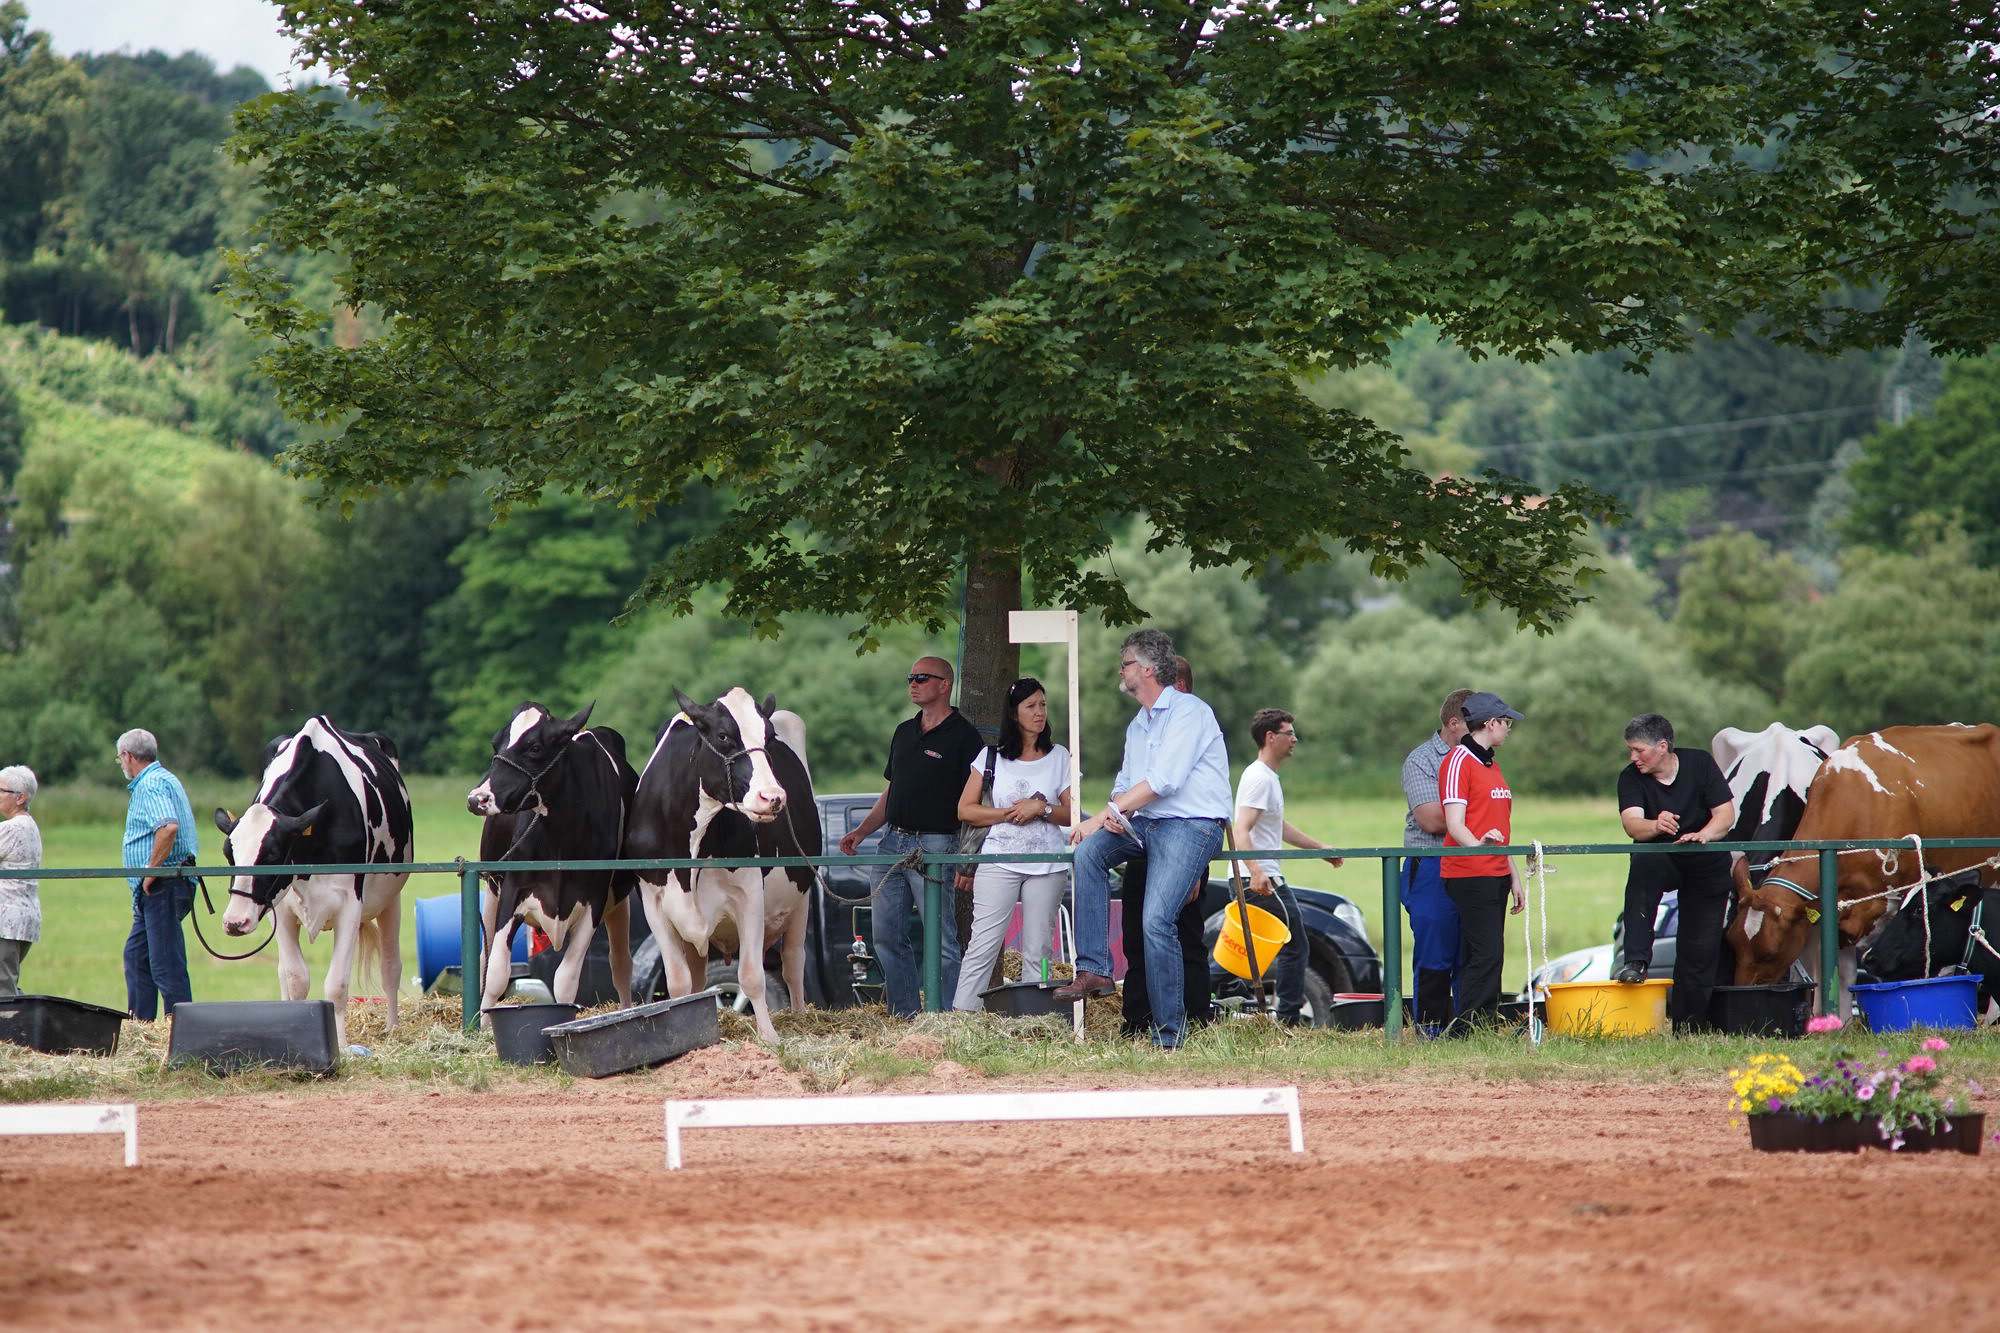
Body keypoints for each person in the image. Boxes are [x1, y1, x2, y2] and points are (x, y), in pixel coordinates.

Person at [1056, 628, 1231, 1049]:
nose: (1121, 671)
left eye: (1126, 664)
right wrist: (1118, 810)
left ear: (1148, 669)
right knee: (1089, 854)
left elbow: (1164, 780)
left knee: (1156, 920)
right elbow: (1126, 781)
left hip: (1191, 825)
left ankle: (1169, 1034)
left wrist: (1106, 815)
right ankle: (1095, 969)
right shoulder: (1138, 724)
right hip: (1146, 823)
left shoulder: (1190, 712)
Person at [839, 656, 983, 1015]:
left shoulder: (966, 737)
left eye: (921, 677)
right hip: (891, 841)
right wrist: (862, 830)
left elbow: (978, 801)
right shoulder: (904, 731)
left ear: (944, 685)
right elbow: (892, 790)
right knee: (885, 935)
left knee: (941, 938)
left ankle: (946, 1018)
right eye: (910, 677)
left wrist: (968, 859)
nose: (913, 683)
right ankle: (904, 1014)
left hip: (937, 843)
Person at [951, 677, 1074, 1010]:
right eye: (1030, 706)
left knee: (1039, 949)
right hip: (998, 859)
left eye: (1043, 704)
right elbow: (965, 809)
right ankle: (961, 1018)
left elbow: (1072, 814)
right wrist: (1009, 813)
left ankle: (1036, 1018)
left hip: (1047, 863)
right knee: (982, 945)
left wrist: (1041, 808)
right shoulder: (990, 756)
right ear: (1014, 713)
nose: (1039, 712)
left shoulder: (1060, 756)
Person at [1616, 712, 1736, 1030]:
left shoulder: (1700, 763)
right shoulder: (1630, 778)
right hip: (1660, 856)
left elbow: (1725, 815)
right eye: (1630, 750)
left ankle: (1689, 1026)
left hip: (1705, 860)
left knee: (1699, 947)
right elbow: (1632, 824)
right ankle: (1636, 961)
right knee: (1642, 865)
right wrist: (1655, 825)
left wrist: (1703, 835)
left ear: (1662, 746)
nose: (1633, 757)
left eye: (1638, 750)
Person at [1120, 656, 1214, 1037]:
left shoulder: (1192, 725)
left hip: (1184, 845)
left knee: (1182, 934)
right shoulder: (1142, 727)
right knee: (1136, 934)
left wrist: (1194, 870)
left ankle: (1193, 1017)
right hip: (1144, 838)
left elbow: (1205, 802)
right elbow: (1131, 780)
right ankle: (1138, 1019)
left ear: (1181, 687)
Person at [1233, 709, 1342, 1025]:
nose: (1295, 739)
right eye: (1289, 733)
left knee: (1254, 949)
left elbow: (1277, 826)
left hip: (1261, 876)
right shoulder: (1259, 777)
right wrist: (1256, 871)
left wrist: (1319, 849)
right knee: (1294, 946)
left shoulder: (1267, 777)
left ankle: (1221, 1001)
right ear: (1270, 737)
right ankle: (1288, 1019)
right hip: (1258, 879)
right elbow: (1241, 829)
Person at [1438, 693, 1525, 1031]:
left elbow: (1499, 828)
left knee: (1490, 953)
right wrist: (1477, 848)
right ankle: (1469, 1027)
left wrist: (1512, 874)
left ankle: (1481, 1024)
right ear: (1490, 723)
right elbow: (1455, 824)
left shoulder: (1491, 764)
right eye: (1506, 722)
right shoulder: (1458, 760)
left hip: (1494, 871)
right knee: (1486, 953)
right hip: (1470, 873)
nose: (1508, 729)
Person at [1400, 688, 1474, 1029]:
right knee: (1435, 950)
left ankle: (1469, 1026)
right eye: (1474, 723)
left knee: (1471, 951)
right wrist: (1481, 816)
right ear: (1454, 722)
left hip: (1472, 863)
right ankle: (1430, 1027)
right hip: (1431, 863)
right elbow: (1431, 819)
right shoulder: (1422, 760)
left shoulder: (1481, 759)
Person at [118, 728, 200, 1020]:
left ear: (128, 756)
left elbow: (167, 827)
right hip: (161, 885)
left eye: (120, 758)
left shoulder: (150, 783)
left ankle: (180, 1030)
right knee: (137, 957)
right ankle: (142, 1028)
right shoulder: (165, 778)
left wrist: (151, 872)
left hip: (163, 884)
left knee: (166, 964)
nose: (121, 764)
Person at [0, 766, 42, 998]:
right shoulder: (29, 825)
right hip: (23, 918)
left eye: (1, 790)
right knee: (8, 986)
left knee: (3, 992)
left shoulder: (12, 828)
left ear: (20, 797)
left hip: (6, 921)